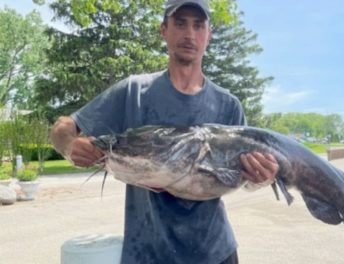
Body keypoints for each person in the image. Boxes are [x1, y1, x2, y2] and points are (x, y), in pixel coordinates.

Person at [50, 0, 279, 263]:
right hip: (146, 253)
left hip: (215, 253)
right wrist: (69, 145)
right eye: (180, 23)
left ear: (208, 34)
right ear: (163, 30)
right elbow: (63, 127)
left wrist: (261, 177)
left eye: (198, 25)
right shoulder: (133, 92)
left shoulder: (228, 106)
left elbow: (242, 180)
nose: (189, 34)